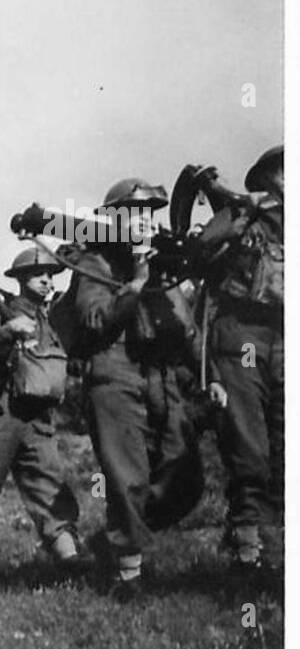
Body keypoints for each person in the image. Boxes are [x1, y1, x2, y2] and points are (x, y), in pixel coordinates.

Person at [72, 178, 205, 599]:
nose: (145, 221)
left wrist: (211, 378)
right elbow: (94, 319)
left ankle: (115, 539)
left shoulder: (162, 266)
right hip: (113, 370)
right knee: (127, 476)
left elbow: (185, 329)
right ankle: (128, 576)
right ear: (114, 220)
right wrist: (137, 280)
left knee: (185, 478)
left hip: (159, 376)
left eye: (150, 213)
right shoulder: (96, 264)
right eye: (135, 214)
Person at [0, 249, 80, 573]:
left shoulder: (49, 319)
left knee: (51, 489)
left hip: (39, 419)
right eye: (37, 274)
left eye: (50, 275)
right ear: (22, 279)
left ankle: (71, 560)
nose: (46, 280)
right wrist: (8, 334)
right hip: (3, 414)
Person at [193, 145, 284, 571]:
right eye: (283, 171)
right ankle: (248, 549)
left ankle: (279, 550)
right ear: (266, 178)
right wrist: (236, 214)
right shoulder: (241, 215)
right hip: (242, 334)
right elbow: (202, 253)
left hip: (286, 336)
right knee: (250, 448)